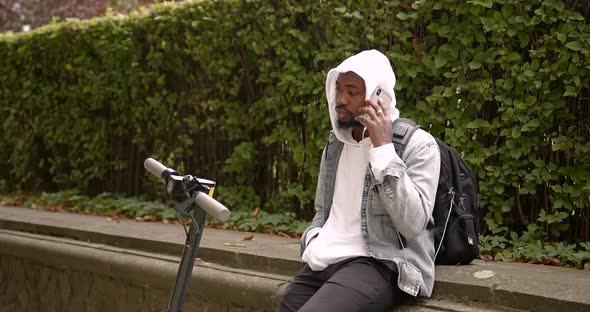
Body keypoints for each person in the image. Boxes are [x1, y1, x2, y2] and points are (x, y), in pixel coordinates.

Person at [279, 50, 441, 312]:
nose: (340, 100)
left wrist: (383, 151)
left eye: (352, 92)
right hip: (326, 259)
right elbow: (323, 211)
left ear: (378, 96)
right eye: (338, 89)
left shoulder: (418, 146)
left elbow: (412, 225)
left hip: (381, 262)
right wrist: (313, 239)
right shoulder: (336, 145)